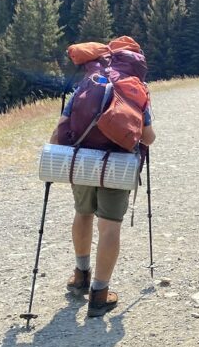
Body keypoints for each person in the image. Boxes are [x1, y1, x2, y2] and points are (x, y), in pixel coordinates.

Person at [50, 99, 156, 317]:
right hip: (119, 164)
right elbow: (148, 138)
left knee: (83, 213)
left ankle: (80, 277)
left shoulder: (87, 85)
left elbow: (61, 128)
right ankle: (99, 295)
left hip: (83, 161)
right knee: (109, 227)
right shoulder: (136, 90)